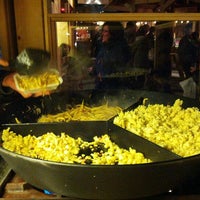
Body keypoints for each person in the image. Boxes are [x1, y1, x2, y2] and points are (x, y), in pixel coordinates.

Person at [92, 21, 131, 90]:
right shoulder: (104, 47)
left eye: (105, 31)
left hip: (112, 87)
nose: (103, 34)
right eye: (103, 31)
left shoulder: (119, 48)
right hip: (102, 85)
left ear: (114, 34)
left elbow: (112, 67)